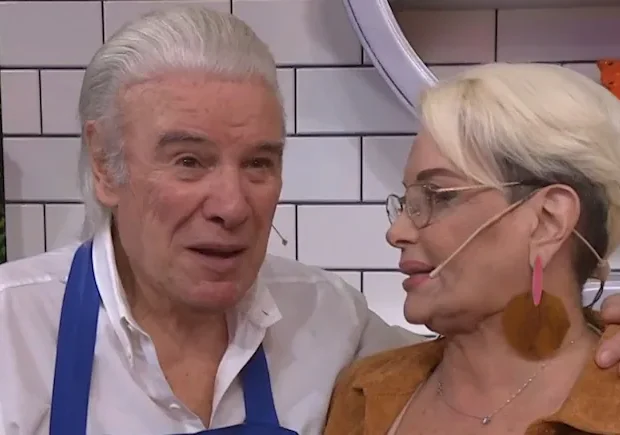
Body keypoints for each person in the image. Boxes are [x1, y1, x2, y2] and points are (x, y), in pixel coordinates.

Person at [0, 8, 619, 435]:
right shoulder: (12, 331)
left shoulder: (334, 325)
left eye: (259, 163)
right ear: (105, 166)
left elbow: (493, 352)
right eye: (189, 161)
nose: (232, 206)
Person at [323, 63, 620, 435]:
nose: (396, 232)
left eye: (437, 196)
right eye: (408, 202)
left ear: (548, 221)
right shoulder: (365, 395)